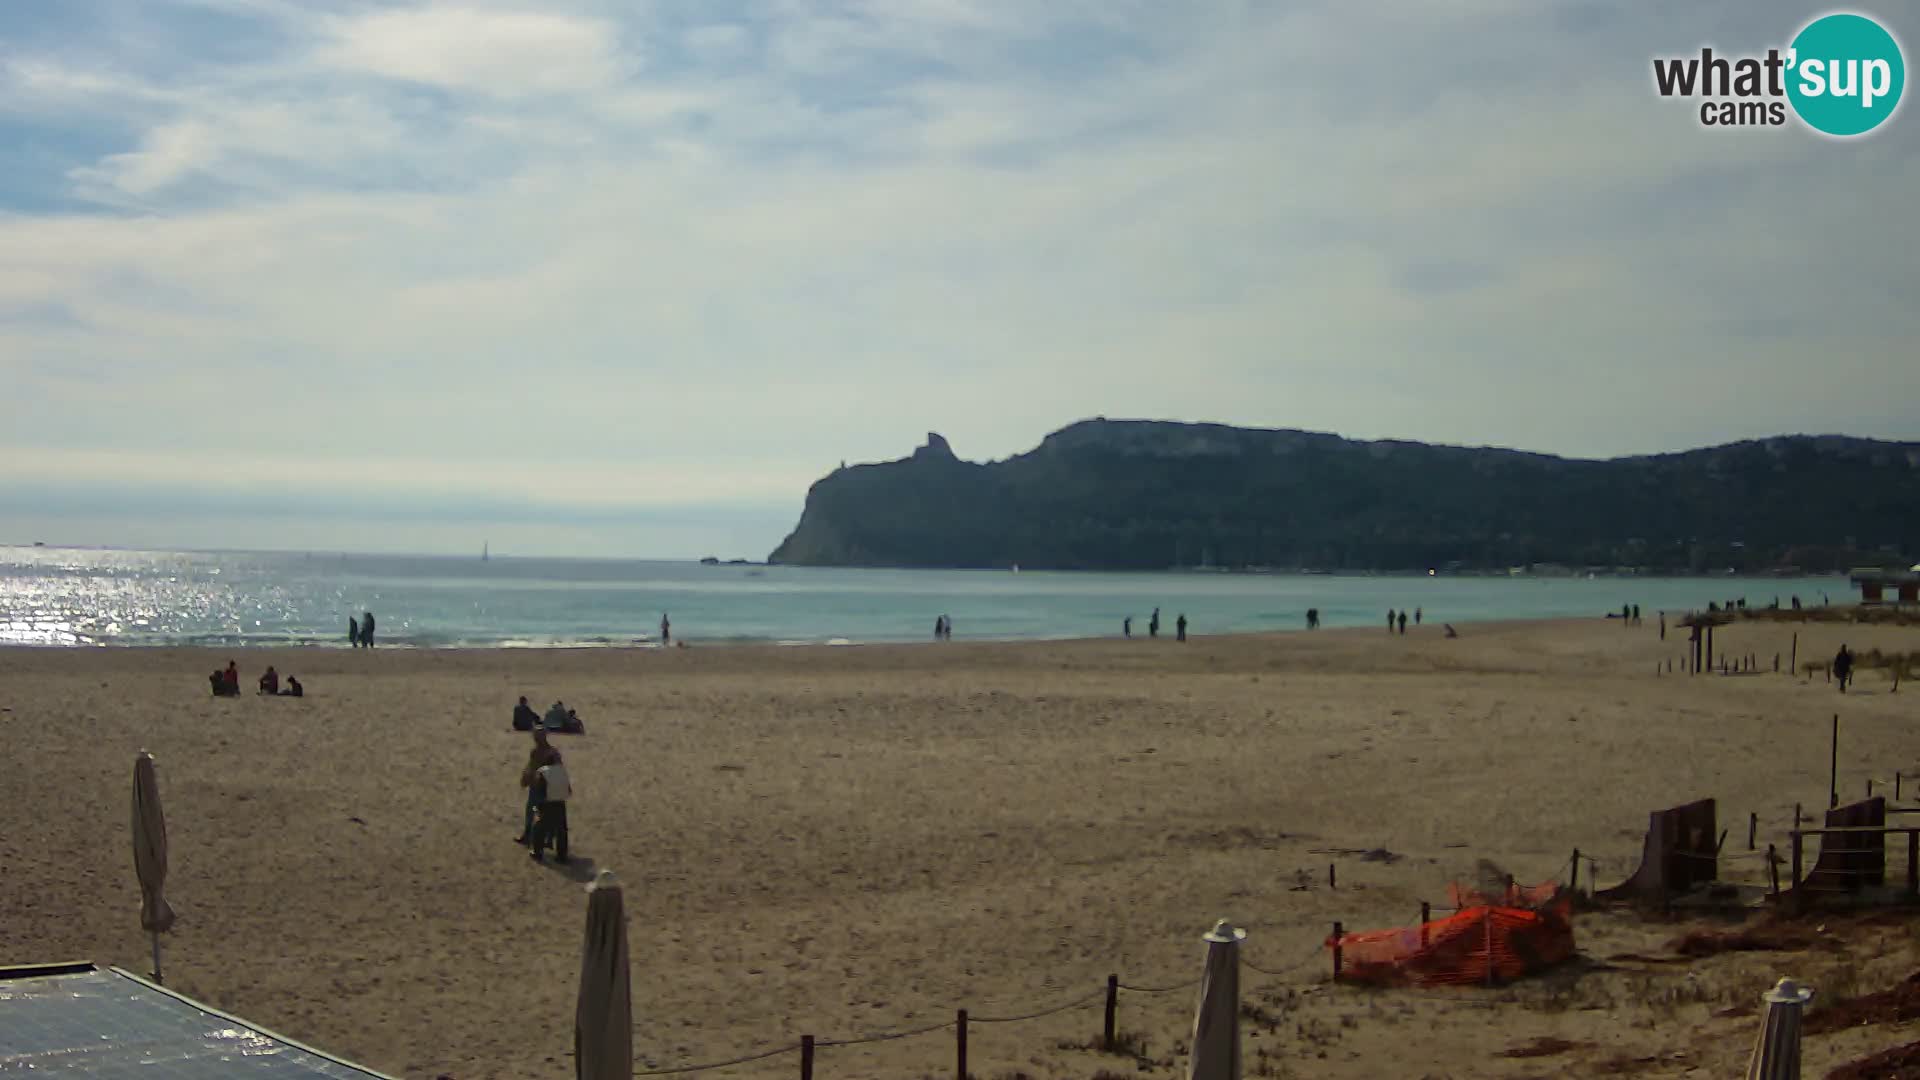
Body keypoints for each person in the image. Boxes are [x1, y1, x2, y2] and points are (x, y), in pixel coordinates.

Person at [515, 729, 562, 844]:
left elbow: (557, 771)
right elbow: (530, 767)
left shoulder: (552, 753)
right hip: (539, 786)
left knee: (541, 812)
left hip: (546, 788)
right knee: (532, 811)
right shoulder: (537, 752)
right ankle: (529, 834)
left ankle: (543, 837)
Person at [530, 751, 571, 863]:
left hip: (547, 803)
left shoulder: (543, 771)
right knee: (561, 830)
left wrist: (538, 804)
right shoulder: (562, 771)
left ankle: (537, 852)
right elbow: (569, 791)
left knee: (540, 828)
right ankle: (561, 855)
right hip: (560, 803)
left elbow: (539, 788)